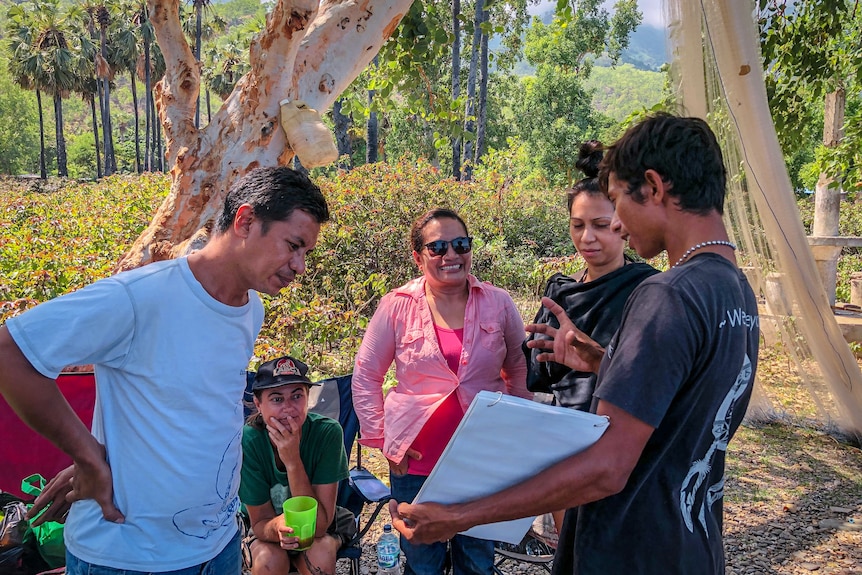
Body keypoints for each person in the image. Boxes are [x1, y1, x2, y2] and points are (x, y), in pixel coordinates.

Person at [389, 113, 760, 575]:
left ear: (654, 187)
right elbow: (683, 405)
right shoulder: (734, 291)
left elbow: (607, 467)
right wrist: (605, 363)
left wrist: (459, 517)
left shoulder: (665, 294)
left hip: (632, 551)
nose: (619, 224)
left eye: (619, 202)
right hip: (693, 544)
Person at [0, 166, 330, 574]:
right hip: (128, 556)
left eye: (306, 253)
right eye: (292, 245)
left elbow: (192, 405)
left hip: (218, 545)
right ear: (245, 221)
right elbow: (11, 352)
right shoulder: (139, 298)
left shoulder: (250, 308)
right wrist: (88, 456)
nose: (299, 266)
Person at [352, 208, 530, 575]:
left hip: (480, 459)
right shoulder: (396, 306)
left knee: (477, 559)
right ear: (419, 257)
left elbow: (519, 369)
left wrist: (513, 438)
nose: (451, 255)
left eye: (460, 244)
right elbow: (367, 373)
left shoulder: (498, 302)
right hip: (416, 460)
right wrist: (384, 439)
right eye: (437, 247)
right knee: (422, 561)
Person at [525, 140, 658, 411]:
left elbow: (654, 377)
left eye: (600, 225)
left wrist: (597, 357)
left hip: (618, 427)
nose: (587, 238)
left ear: (623, 222)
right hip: (561, 426)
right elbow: (539, 375)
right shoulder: (561, 289)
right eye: (577, 225)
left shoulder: (649, 290)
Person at [240, 355, 355, 575]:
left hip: (322, 527)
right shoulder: (249, 442)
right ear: (258, 404)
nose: (289, 408)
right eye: (276, 399)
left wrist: (292, 461)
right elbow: (260, 523)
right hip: (267, 528)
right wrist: (277, 528)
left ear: (308, 398)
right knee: (268, 561)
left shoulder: (327, 433)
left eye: (297, 396)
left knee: (319, 555)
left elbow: (319, 525)